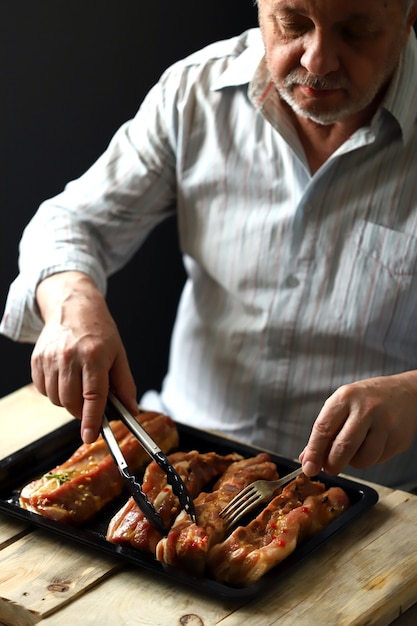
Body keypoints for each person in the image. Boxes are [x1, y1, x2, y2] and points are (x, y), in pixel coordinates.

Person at [2, 0, 417, 490]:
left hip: (365, 499)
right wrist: (71, 303)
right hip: (176, 461)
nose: (316, 61)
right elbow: (70, 221)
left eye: (357, 30)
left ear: (410, 14)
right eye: (292, 24)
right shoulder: (195, 92)